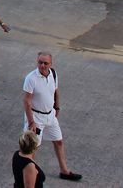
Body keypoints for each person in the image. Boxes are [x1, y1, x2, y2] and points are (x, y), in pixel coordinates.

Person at [24, 52, 82, 181]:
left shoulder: (53, 74)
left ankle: (64, 171)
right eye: (40, 62)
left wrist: (57, 107)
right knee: (33, 147)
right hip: (36, 117)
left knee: (59, 141)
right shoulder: (31, 78)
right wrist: (31, 121)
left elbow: (55, 91)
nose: (42, 65)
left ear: (51, 63)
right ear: (37, 62)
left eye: (46, 63)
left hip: (50, 115)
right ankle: (30, 175)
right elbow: (27, 101)